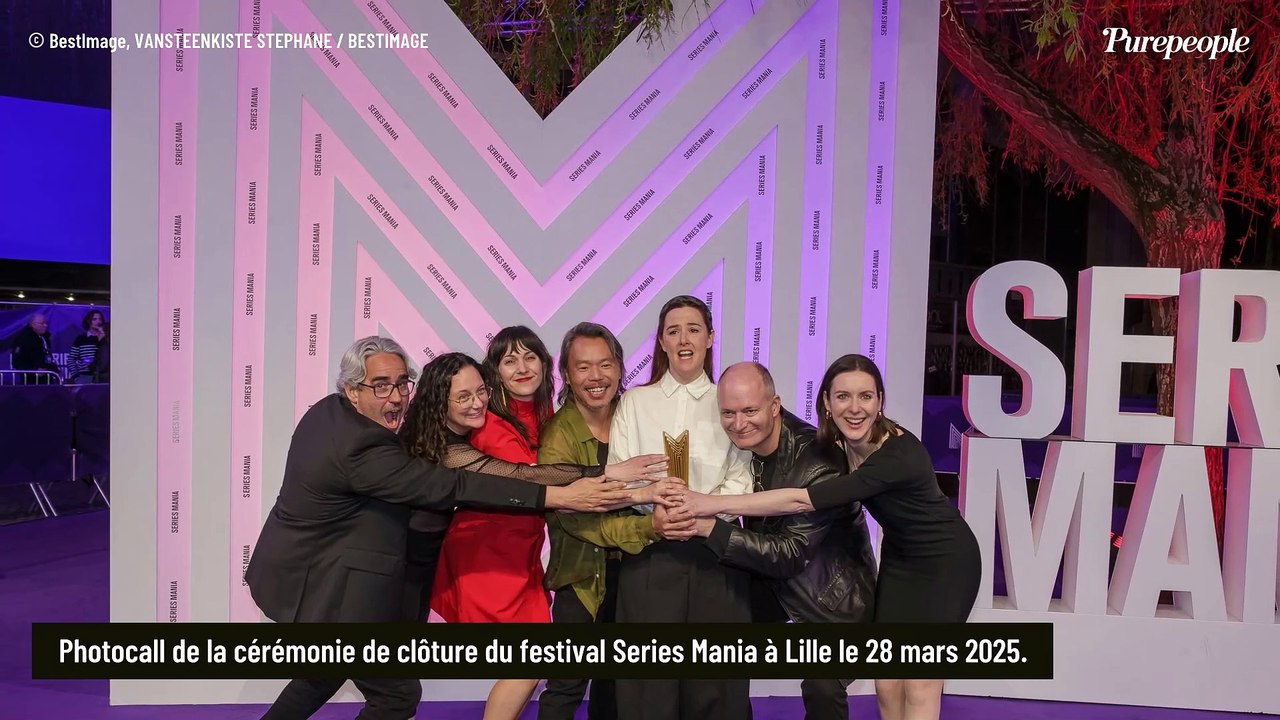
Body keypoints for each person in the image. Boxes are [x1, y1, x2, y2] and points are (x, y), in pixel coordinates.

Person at [245, 336, 639, 720]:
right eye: (381, 386)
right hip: (340, 589)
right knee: (397, 695)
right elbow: (471, 484)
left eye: (402, 383)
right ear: (351, 390)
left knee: (320, 676)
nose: (396, 396)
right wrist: (566, 493)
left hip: (380, 580)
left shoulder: (332, 413)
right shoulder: (375, 449)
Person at [668, 354, 983, 720]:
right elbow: (774, 429)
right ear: (827, 404)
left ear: (880, 402)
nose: (855, 407)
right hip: (900, 558)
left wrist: (707, 506)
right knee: (887, 680)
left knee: (920, 680)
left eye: (865, 397)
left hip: (946, 561)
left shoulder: (895, 456)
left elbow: (799, 499)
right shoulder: (836, 440)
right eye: (843, 397)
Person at [399, 350, 665, 720]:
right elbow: (519, 476)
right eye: (463, 397)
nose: (477, 403)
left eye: (481, 392)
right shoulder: (447, 450)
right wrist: (609, 472)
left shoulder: (454, 433)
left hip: (444, 562)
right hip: (443, 564)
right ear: (437, 400)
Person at [691, 361, 877, 720]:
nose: (739, 423)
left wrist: (707, 527)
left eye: (749, 410)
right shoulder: (738, 446)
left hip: (832, 595)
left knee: (822, 686)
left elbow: (789, 554)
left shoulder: (819, 461)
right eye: (728, 413)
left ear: (774, 406)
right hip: (774, 581)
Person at [606, 295, 754, 720]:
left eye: (693, 329)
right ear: (661, 341)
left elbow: (741, 475)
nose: (684, 338)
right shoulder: (635, 402)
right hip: (652, 551)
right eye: (673, 330)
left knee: (715, 681)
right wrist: (657, 510)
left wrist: (701, 514)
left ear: (710, 337)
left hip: (716, 552)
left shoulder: (730, 400)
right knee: (648, 684)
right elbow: (620, 470)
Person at [537, 322, 665, 720]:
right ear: (567, 375)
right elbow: (578, 520)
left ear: (620, 367)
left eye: (605, 365)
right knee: (566, 686)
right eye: (583, 367)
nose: (596, 377)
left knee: (620, 687)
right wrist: (650, 528)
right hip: (582, 579)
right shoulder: (559, 435)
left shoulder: (636, 413)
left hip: (637, 573)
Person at [11, 312, 60, 378]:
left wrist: (55, 370)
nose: (45, 325)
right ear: (33, 324)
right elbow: (17, 362)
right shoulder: (23, 339)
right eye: (42, 323)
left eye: (45, 323)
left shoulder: (45, 337)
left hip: (47, 378)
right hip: (30, 381)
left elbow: (47, 357)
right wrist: (34, 370)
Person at [68, 310, 106, 383]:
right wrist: (76, 376)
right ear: (88, 321)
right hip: (84, 376)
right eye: (94, 319)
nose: (98, 322)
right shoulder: (81, 338)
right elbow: (71, 359)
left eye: (100, 319)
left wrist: (102, 339)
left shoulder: (105, 339)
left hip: (102, 376)